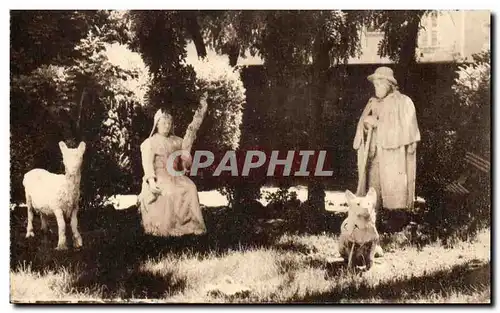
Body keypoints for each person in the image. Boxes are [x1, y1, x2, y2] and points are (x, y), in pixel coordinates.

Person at [353, 66, 421, 234]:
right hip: (374, 153)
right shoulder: (373, 102)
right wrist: (366, 126)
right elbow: (363, 127)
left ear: (390, 84)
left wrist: (378, 124)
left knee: (394, 187)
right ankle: (374, 223)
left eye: (380, 83)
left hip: (392, 154)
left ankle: (397, 224)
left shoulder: (402, 102)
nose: (376, 87)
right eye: (375, 84)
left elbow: (406, 130)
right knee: (374, 188)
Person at [138, 92, 209, 237]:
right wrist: (151, 182)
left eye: (169, 123)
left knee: (190, 188)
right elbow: (147, 165)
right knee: (169, 192)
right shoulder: (150, 143)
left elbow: (184, 164)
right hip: (159, 176)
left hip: (176, 175)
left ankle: (193, 225)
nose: (167, 126)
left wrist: (186, 158)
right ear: (157, 124)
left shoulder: (177, 141)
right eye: (164, 123)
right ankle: (168, 228)